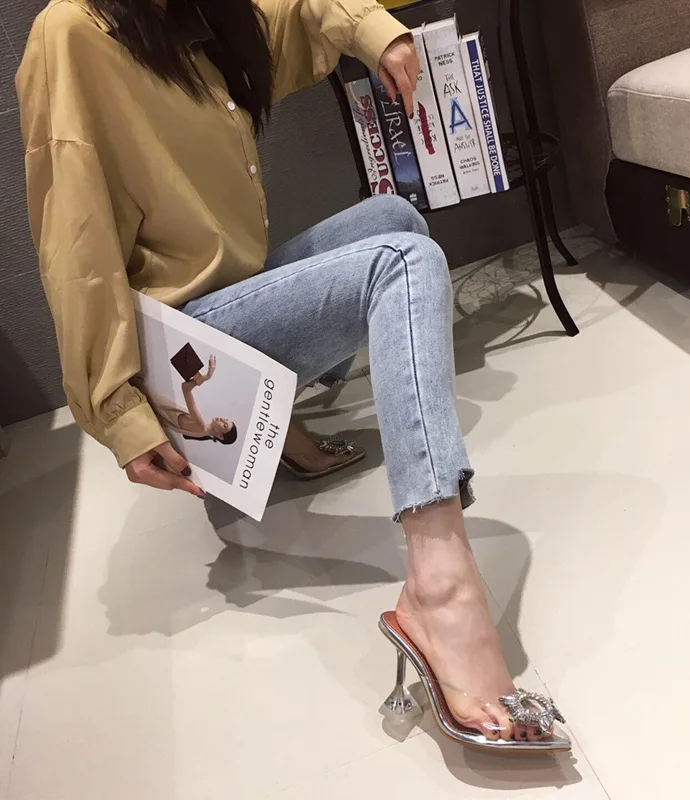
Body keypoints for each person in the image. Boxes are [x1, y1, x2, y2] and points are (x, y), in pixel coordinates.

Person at [17, 0, 567, 750]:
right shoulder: (74, 33)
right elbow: (73, 244)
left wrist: (376, 34)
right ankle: (439, 586)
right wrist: (116, 409)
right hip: (182, 343)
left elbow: (298, 12)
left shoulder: (203, 16)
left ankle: (279, 427)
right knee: (402, 263)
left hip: (229, 303)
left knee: (394, 221)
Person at [134, 355, 238, 446]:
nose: (222, 419)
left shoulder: (201, 427)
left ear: (220, 435)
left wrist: (207, 376)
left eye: (224, 425)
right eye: (225, 419)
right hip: (146, 407)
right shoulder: (201, 434)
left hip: (147, 398)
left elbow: (185, 388)